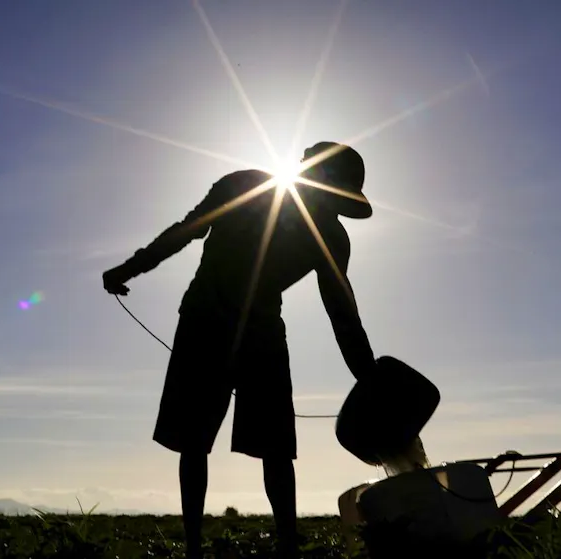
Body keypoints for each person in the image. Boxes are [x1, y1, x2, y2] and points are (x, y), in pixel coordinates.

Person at [102, 141, 378, 559]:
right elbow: (186, 231)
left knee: (276, 449)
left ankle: (287, 548)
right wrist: (130, 268)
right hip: (207, 322)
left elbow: (342, 313)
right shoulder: (243, 187)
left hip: (258, 330)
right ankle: (196, 548)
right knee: (197, 443)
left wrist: (370, 378)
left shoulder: (331, 237)